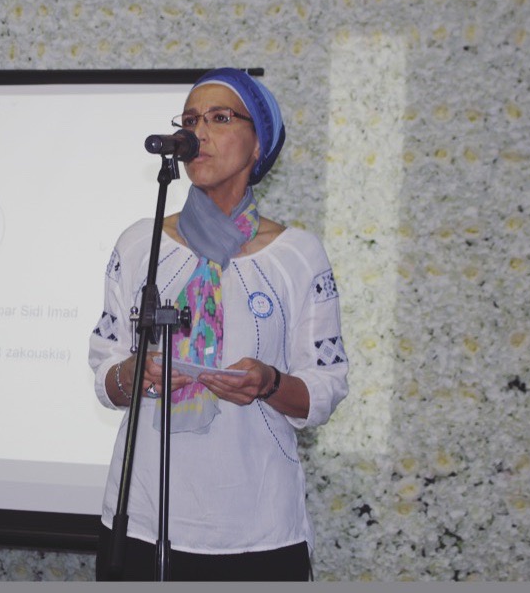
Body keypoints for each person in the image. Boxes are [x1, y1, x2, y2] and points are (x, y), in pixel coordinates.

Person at [89, 67, 350, 581]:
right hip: (141, 519)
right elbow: (105, 373)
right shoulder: (140, 244)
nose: (198, 132)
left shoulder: (297, 255)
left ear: (259, 145)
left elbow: (324, 389)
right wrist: (134, 373)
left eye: (220, 118)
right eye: (190, 120)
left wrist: (268, 383)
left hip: (256, 526)